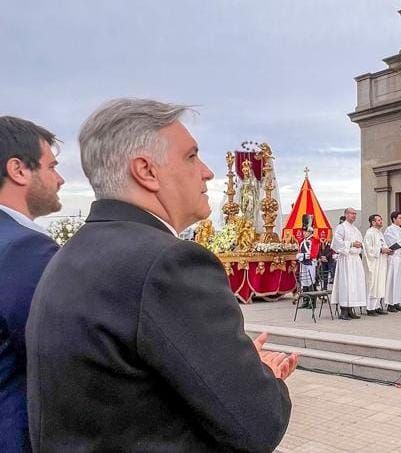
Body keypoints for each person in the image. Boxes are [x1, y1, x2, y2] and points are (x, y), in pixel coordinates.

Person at [26, 99, 296, 452]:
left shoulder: (72, 253)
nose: (207, 172)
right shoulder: (170, 264)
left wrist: (231, 365)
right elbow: (256, 422)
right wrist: (264, 377)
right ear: (146, 171)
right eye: (191, 156)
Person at [0, 116, 64, 452]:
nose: (61, 178)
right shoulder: (25, 248)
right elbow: (54, 354)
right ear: (19, 170)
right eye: (51, 166)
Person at [331, 207, 367, 319]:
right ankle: (344, 311)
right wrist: (351, 244)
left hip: (355, 259)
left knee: (354, 284)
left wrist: (360, 245)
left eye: (355, 214)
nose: (354, 216)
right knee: (346, 283)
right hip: (346, 259)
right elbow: (336, 242)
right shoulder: (341, 228)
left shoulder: (356, 229)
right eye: (352, 213)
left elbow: (361, 243)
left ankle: (351, 308)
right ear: (346, 214)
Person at [364, 214, 390, 316]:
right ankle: (370, 308)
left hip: (381, 262)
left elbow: (383, 245)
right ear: (373, 222)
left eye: (381, 219)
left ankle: (377, 306)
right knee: (373, 285)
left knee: (379, 284)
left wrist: (388, 250)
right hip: (373, 264)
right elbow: (368, 249)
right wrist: (380, 250)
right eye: (378, 220)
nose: (381, 221)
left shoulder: (379, 233)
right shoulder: (369, 233)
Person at [384, 211, 401, 312]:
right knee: (393, 280)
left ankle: (398, 301)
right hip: (395, 258)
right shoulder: (389, 230)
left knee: (400, 281)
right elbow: (393, 244)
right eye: (399, 218)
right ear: (394, 219)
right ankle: (391, 303)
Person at [296, 215, 320, 309]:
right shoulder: (302, 241)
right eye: (303, 231)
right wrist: (300, 256)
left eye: (305, 231)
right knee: (304, 282)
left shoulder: (314, 241)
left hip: (310, 264)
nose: (304, 233)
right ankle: (305, 301)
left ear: (310, 231)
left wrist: (302, 256)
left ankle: (312, 302)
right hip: (303, 264)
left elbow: (313, 254)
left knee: (311, 282)